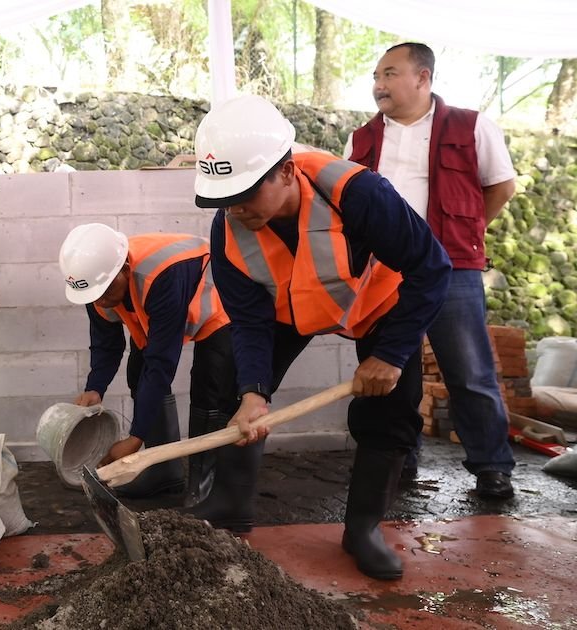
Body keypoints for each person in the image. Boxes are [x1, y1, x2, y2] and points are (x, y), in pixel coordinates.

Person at [194, 95, 451, 580]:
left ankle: (363, 529)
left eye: (246, 192)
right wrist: (253, 393)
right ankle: (230, 504)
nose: (235, 208)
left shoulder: (358, 193)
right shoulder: (228, 229)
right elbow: (248, 321)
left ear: (287, 171)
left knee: (391, 408)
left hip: (376, 303)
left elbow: (432, 268)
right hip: (288, 310)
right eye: (225, 198)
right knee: (236, 384)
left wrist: (391, 355)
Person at [346, 42, 518, 499]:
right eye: (376, 76)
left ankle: (492, 467)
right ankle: (396, 461)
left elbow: (501, 187)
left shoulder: (472, 125)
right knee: (392, 371)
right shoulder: (361, 138)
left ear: (422, 77)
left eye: (389, 73)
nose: (378, 84)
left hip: (452, 266)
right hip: (382, 271)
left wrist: (463, 236)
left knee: (469, 370)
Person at [59, 224, 237, 505]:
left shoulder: (160, 276)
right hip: (165, 303)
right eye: (94, 296)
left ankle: (205, 489)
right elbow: (106, 344)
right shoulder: (95, 281)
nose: (101, 301)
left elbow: (162, 363)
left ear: (125, 269)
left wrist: (135, 438)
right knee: (138, 372)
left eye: (106, 291)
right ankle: (163, 471)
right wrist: (95, 388)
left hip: (219, 299)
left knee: (210, 386)